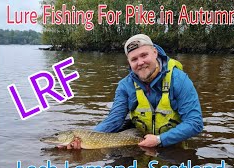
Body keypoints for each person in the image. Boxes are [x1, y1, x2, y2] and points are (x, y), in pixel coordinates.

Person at [67, 34, 203, 149]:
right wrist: (84, 137)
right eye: (134, 59)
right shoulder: (125, 86)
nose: (140, 62)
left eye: (144, 55)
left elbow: (195, 123)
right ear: (129, 62)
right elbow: (113, 121)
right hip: (140, 140)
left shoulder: (179, 80)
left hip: (171, 143)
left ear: (155, 52)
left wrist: (159, 139)